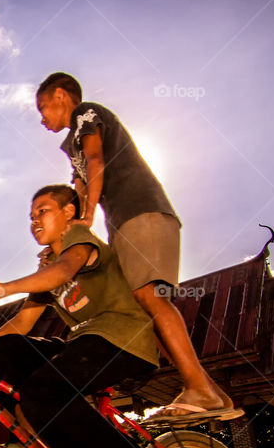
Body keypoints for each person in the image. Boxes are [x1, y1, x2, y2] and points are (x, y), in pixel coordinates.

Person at [35, 72, 240, 421]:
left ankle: (200, 389)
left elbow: (97, 160)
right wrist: (62, 242)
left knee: (150, 297)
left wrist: (85, 218)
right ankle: (211, 393)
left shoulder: (86, 113)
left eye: (43, 108)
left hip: (141, 210)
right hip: (123, 222)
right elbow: (80, 189)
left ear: (59, 95)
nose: (43, 120)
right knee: (145, 307)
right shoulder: (72, 145)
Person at [0, 183, 177, 448]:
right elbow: (22, 322)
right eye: (31, 215)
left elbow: (64, 272)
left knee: (44, 390)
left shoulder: (79, 240)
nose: (34, 220)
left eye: (43, 211)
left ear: (68, 213)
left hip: (123, 338)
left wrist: (4, 288)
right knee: (4, 351)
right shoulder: (47, 267)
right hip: (84, 344)